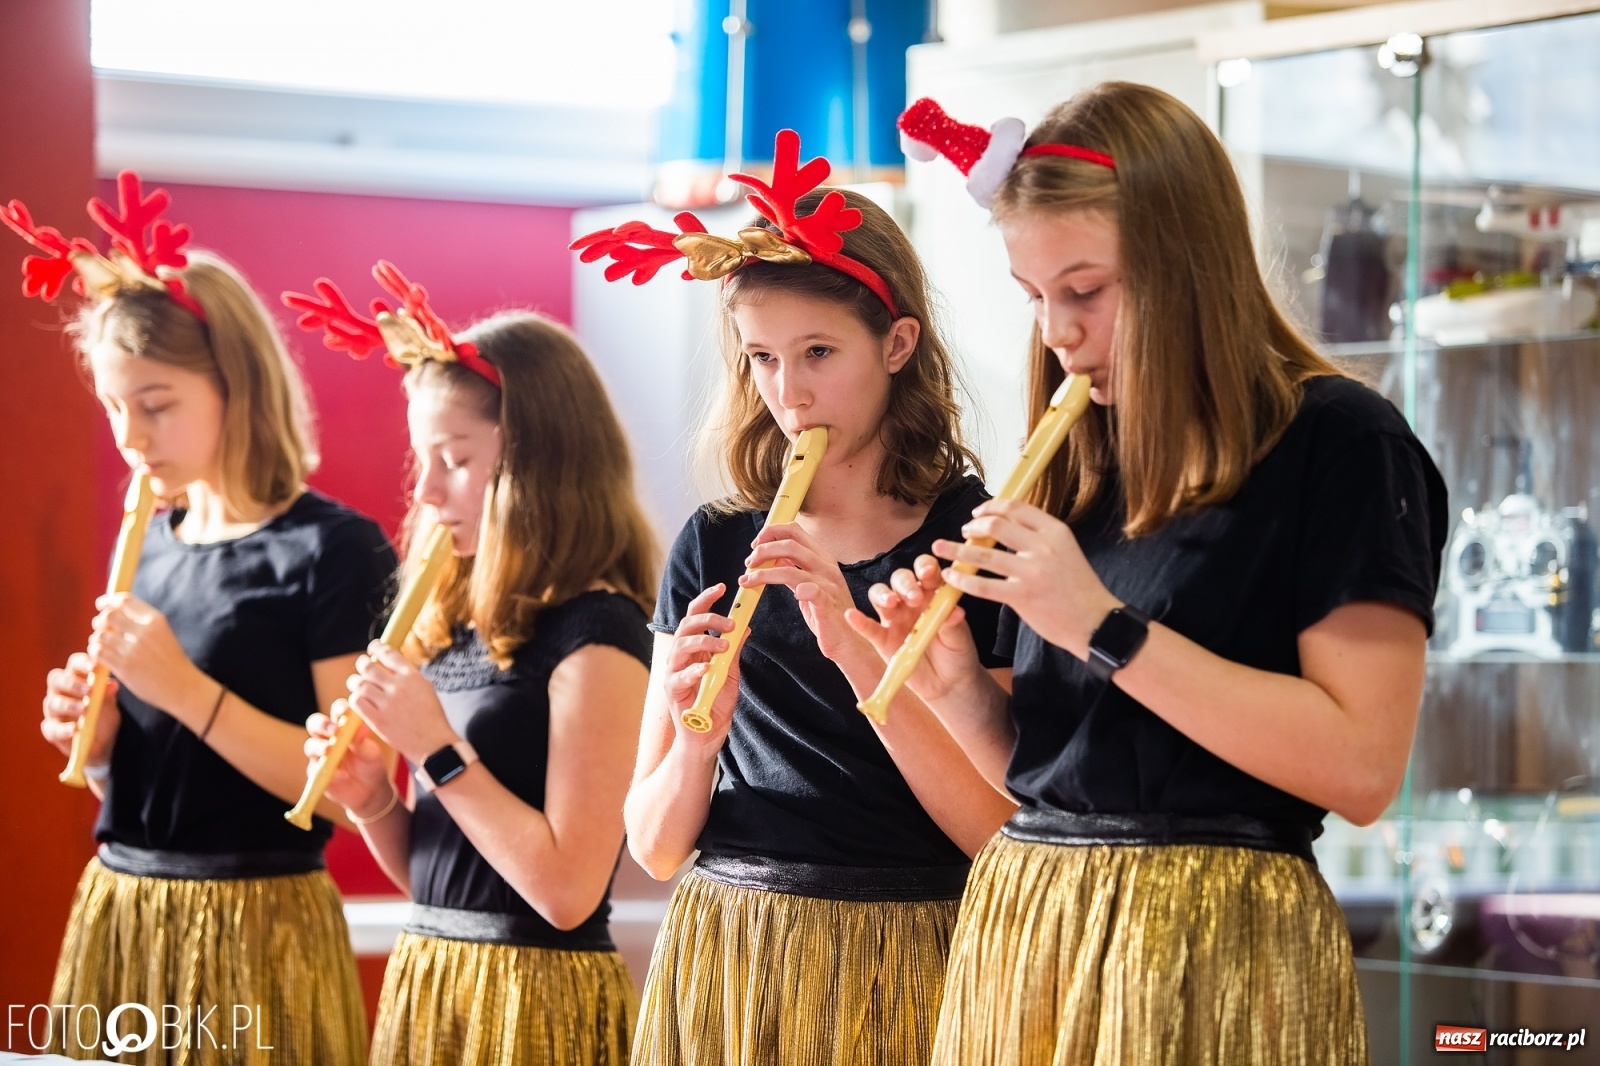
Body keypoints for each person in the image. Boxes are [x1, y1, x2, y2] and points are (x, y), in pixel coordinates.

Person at [872, 83, 1450, 1065]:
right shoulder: (1074, 459)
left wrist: (1103, 626)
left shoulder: (1341, 443)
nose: (1057, 331)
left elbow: (1360, 768)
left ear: (1186, 266)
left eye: (1085, 291)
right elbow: (1058, 781)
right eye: (1035, 297)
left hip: (1219, 943)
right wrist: (961, 693)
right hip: (1035, 927)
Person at [574, 130, 1016, 1066]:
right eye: (764, 358)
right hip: (729, 946)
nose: (790, 393)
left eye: (818, 351)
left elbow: (996, 834)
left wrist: (853, 643)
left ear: (898, 344)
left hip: (911, 944)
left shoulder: (977, 539)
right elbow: (653, 846)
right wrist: (697, 744)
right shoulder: (717, 541)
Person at [23, 173, 390, 1065]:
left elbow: (334, 793)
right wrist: (105, 736)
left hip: (260, 915)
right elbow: (150, 773)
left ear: (236, 385)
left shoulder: (333, 549)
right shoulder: (151, 535)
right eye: (114, 408)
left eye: (155, 406)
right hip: (124, 901)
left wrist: (180, 690)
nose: (129, 438)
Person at [287, 265, 655, 1066]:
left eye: (454, 460)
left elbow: (564, 893)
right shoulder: (453, 626)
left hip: (536, 999)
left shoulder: (599, 630)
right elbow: (437, 878)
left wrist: (435, 749)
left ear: (539, 461)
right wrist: (374, 802)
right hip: (435, 973)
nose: (428, 495)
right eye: (423, 464)